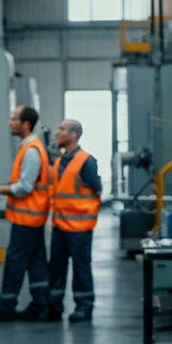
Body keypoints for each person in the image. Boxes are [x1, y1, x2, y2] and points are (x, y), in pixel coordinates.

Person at [0, 105, 51, 322]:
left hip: (27, 218)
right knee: (36, 261)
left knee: (15, 261)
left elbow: (24, 187)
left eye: (14, 119)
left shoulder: (31, 151)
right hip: (33, 216)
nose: (10, 122)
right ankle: (41, 305)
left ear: (26, 124)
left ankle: (6, 306)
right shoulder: (30, 147)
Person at [47, 118, 102, 323]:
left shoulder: (86, 161)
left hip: (79, 227)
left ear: (73, 135)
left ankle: (84, 307)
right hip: (59, 226)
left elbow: (96, 189)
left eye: (61, 129)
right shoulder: (59, 162)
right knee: (56, 268)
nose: (57, 133)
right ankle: (54, 306)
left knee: (81, 268)